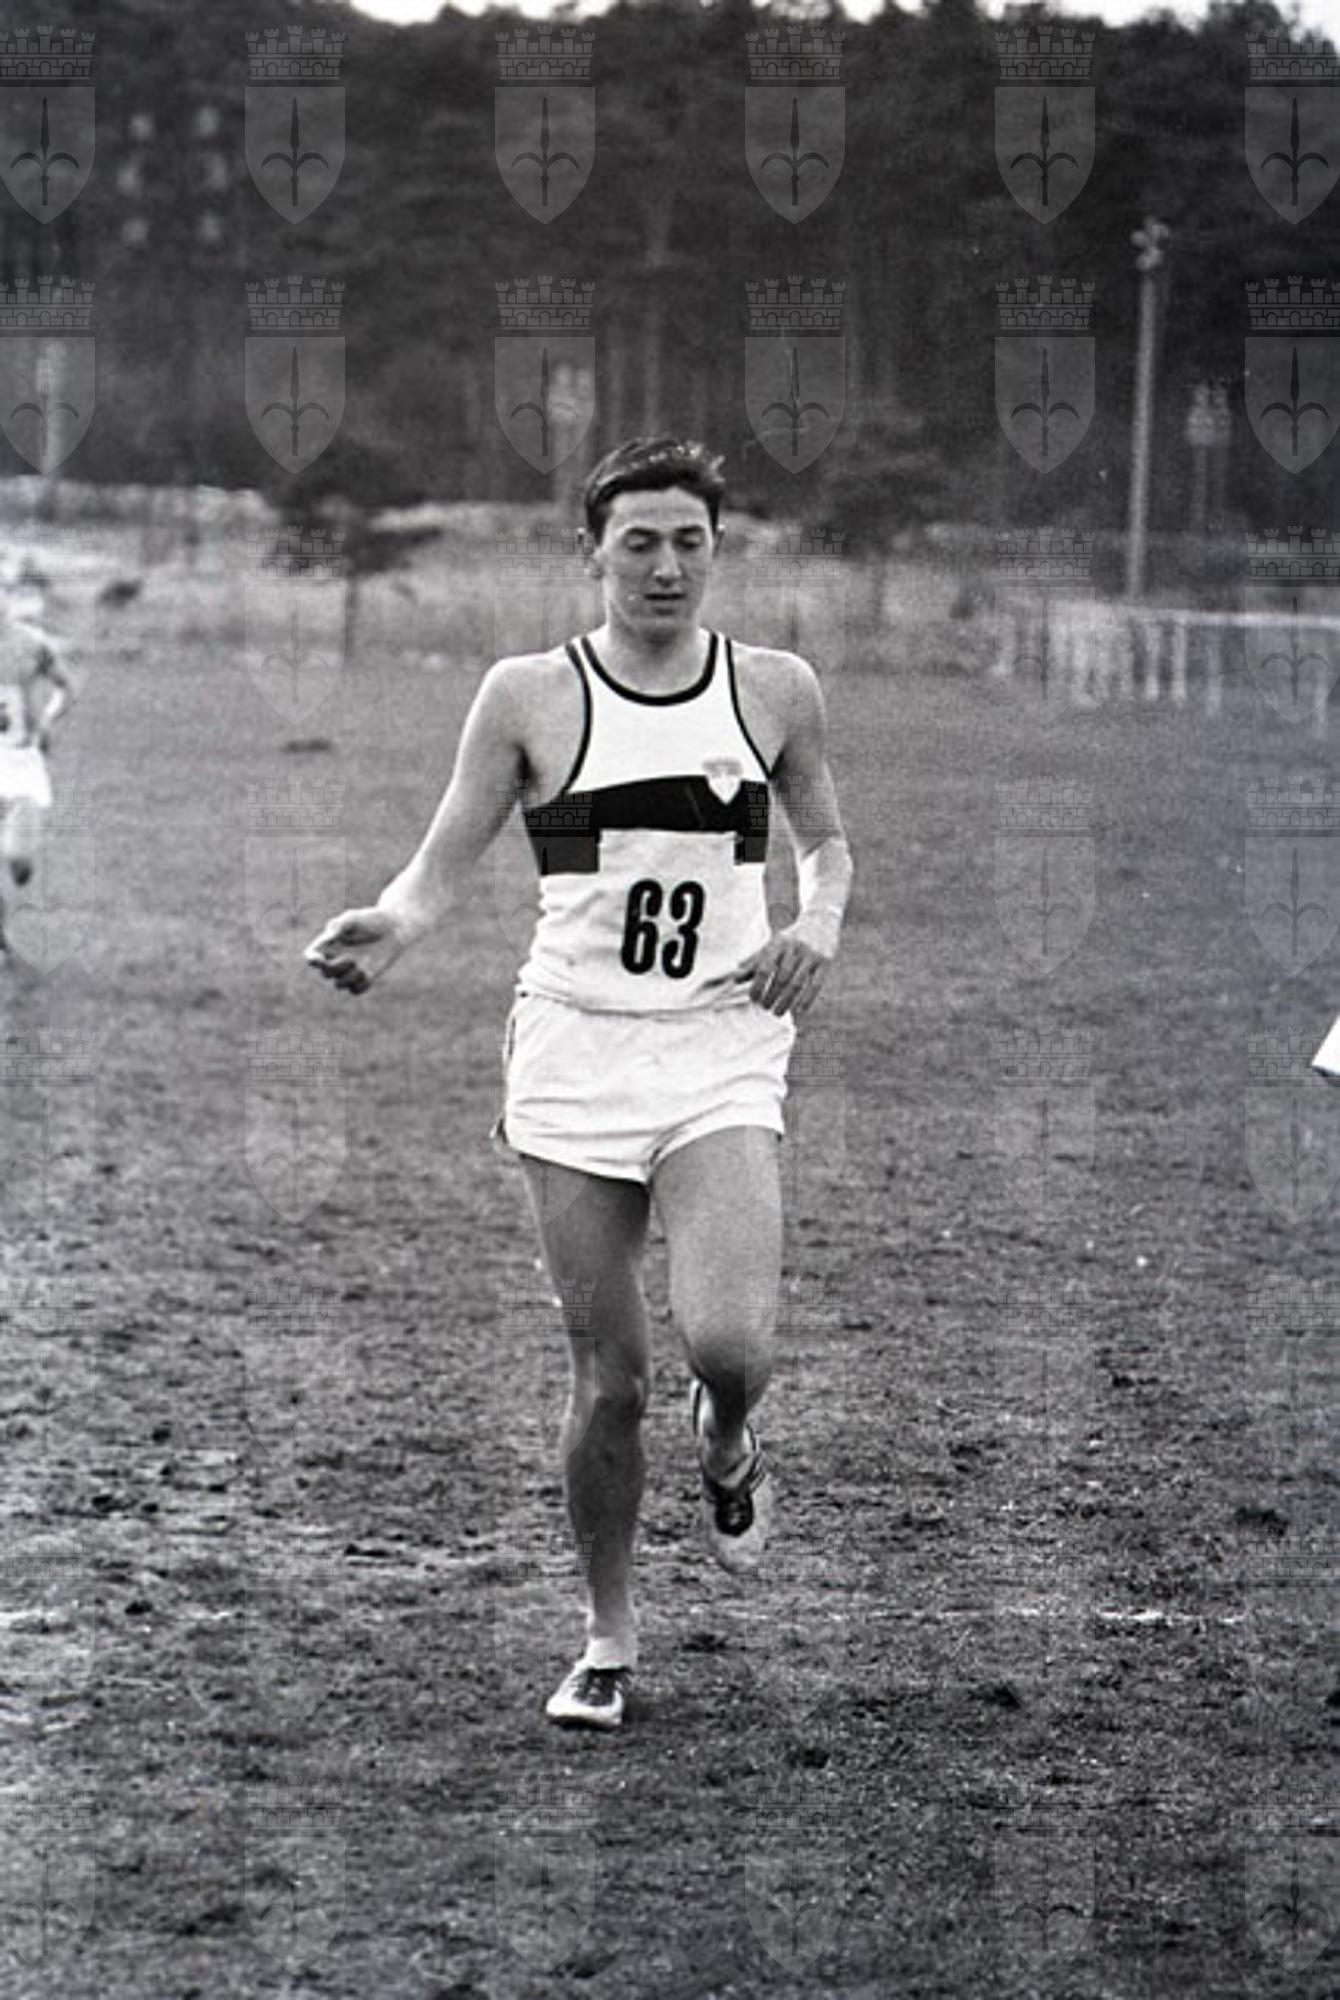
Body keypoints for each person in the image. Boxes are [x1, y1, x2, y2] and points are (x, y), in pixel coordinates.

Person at [306, 438, 853, 1730]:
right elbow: (443, 860)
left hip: (718, 1045)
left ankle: (728, 1436)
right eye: (638, 542)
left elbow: (827, 845)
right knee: (609, 1380)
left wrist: (815, 925)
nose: (665, 567)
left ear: (715, 550)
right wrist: (395, 923)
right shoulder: (526, 695)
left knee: (731, 1343)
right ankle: (608, 1637)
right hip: (573, 1055)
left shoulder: (774, 687)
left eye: (689, 542)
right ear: (591, 552)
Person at [0, 564, 72, 953]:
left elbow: (65, 687)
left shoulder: (31, 643)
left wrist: (46, 720)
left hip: (22, 762)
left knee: (17, 860)